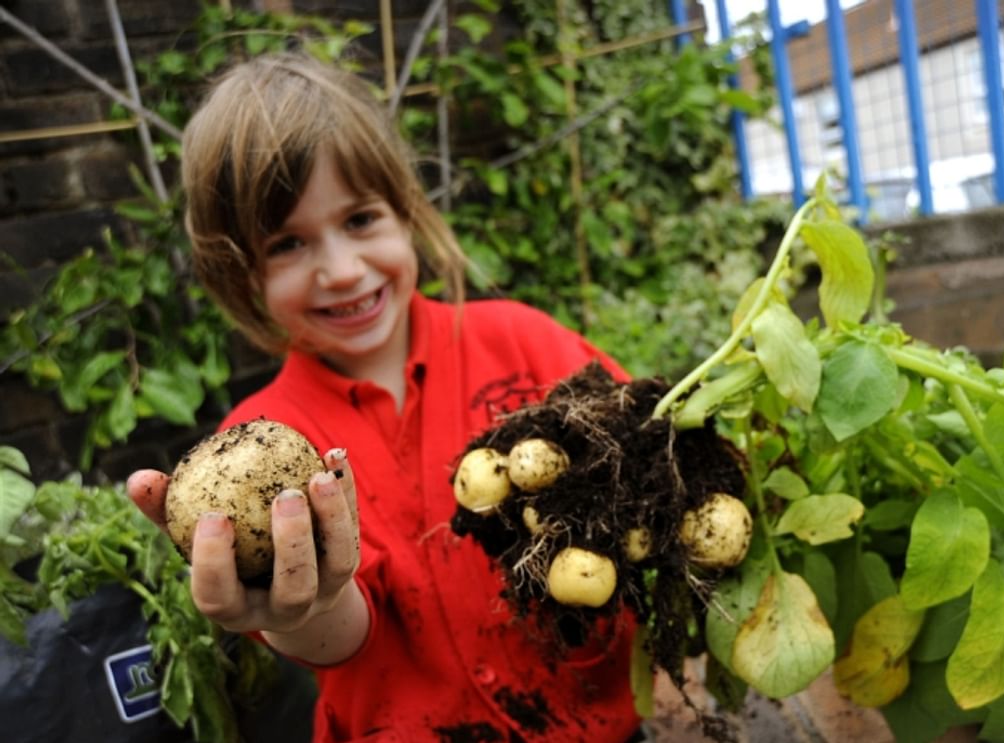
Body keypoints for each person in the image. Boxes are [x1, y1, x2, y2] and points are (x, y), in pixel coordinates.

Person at [125, 52, 641, 742]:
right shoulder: (265, 437)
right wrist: (308, 606)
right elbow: (341, 633)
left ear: (405, 210)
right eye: (288, 244)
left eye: (361, 219)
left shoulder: (525, 343)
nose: (341, 270)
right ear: (243, 275)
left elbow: (646, 447)